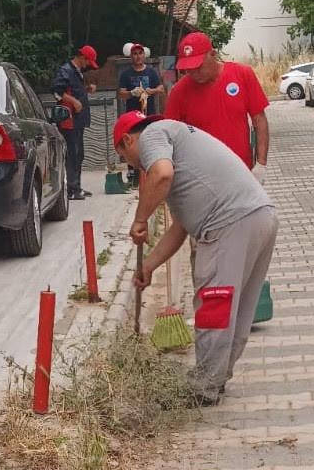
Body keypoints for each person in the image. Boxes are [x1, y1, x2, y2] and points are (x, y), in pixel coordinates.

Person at [114, 110, 278, 405]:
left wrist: (140, 219)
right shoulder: (179, 145)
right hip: (260, 216)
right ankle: (217, 378)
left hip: (229, 224)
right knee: (237, 309)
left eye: (125, 157)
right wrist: (149, 265)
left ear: (127, 140)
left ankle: (203, 387)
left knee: (214, 305)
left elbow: (160, 174)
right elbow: (180, 227)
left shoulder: (152, 135)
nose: (133, 165)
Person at [165, 31, 270, 183]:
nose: (194, 73)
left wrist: (261, 164)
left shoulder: (242, 74)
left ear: (213, 54)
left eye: (198, 66)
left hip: (240, 171)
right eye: (188, 69)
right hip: (200, 178)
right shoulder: (179, 91)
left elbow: (259, 120)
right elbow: (170, 135)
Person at [52, 45, 98, 200]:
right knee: (72, 154)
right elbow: (57, 92)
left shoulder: (77, 72)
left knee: (79, 154)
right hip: (69, 120)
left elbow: (73, 89)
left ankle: (76, 186)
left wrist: (86, 89)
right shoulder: (66, 70)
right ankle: (71, 189)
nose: (88, 66)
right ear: (82, 57)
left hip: (78, 121)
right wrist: (74, 102)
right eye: (88, 62)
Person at [118, 43, 164, 187]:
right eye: (135, 54)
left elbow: (161, 88)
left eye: (140, 53)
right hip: (132, 115)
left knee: (149, 141)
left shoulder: (151, 72)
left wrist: (152, 91)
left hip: (148, 114)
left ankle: (150, 173)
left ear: (144, 55)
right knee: (132, 143)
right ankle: (132, 175)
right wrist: (132, 93)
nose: (138, 56)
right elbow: (120, 94)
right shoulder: (126, 74)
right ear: (131, 56)